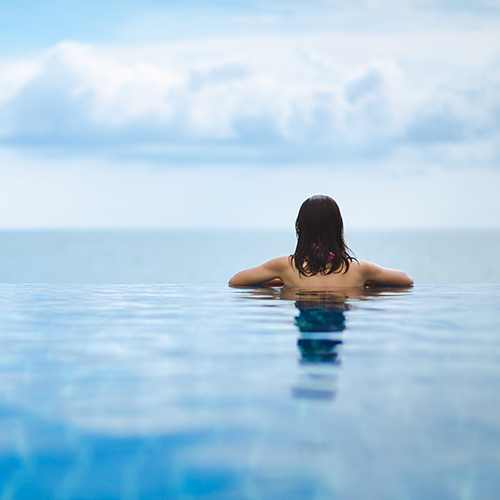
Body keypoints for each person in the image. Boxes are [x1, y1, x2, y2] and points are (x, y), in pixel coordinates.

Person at [229, 195, 413, 288]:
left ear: (301, 228)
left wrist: (279, 281)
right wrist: (369, 282)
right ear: (338, 228)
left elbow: (236, 281)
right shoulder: (359, 269)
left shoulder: (285, 267)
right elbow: (406, 280)